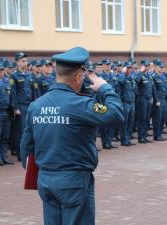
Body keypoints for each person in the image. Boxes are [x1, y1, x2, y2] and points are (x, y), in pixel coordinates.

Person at [20, 47, 124, 225]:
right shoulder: (80, 104)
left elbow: (27, 148)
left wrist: (39, 172)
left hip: (45, 179)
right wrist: (105, 88)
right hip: (73, 180)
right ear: (78, 76)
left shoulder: (36, 105)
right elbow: (116, 115)